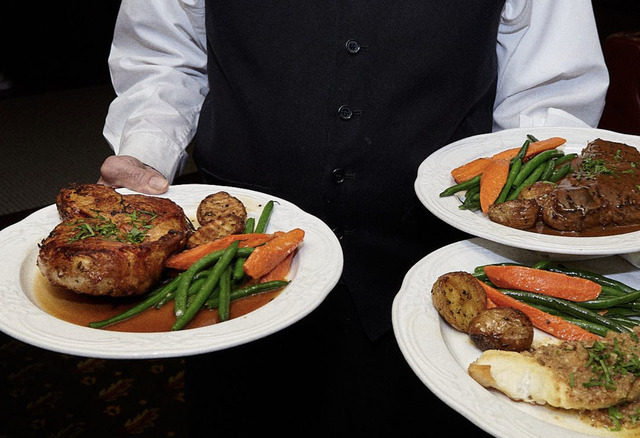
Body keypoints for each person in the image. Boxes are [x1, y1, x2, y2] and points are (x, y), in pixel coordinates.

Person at [98, 0, 608, 435]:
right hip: (234, 270)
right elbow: (164, 56)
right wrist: (145, 152)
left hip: (428, 269)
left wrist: (525, 210)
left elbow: (547, 91)